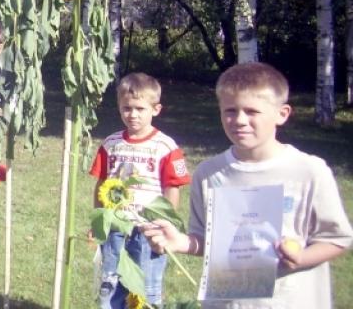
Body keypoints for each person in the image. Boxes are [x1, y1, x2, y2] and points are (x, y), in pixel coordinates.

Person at [143, 63, 353, 308]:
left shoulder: (309, 172)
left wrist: (301, 258)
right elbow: (205, 240)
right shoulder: (209, 173)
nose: (239, 120)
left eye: (252, 111)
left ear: (282, 114)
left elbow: (337, 238)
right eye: (230, 111)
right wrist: (180, 242)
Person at [89, 72, 190, 308]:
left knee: (146, 286)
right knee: (110, 281)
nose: (132, 114)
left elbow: (172, 188)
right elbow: (101, 183)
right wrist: (98, 224)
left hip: (147, 230)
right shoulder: (111, 144)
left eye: (139, 108)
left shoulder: (165, 146)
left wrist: (166, 224)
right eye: (126, 108)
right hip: (115, 226)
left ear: (155, 109)